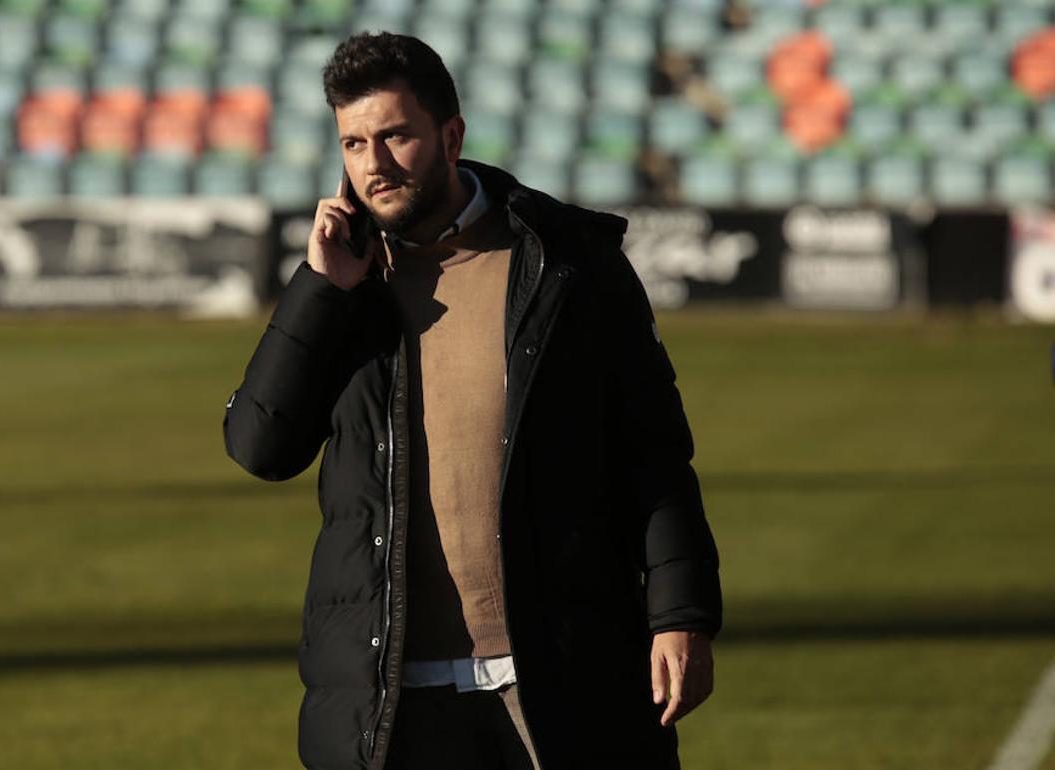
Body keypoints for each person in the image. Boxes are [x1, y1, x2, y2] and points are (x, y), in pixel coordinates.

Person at [223, 31, 722, 770]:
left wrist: (680, 614)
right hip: (390, 702)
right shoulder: (345, 285)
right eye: (354, 144)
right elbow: (261, 447)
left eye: (395, 136)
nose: (374, 166)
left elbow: (651, 449)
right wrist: (319, 289)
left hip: (557, 677)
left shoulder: (567, 263)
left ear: (451, 135)